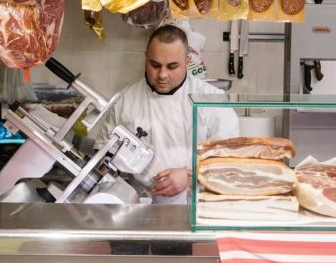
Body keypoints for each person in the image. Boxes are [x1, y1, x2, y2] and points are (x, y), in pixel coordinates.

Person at [96, 24, 239, 204]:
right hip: (143, 205)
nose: (162, 74)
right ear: (145, 58)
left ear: (187, 62)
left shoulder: (211, 99)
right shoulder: (127, 100)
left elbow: (229, 161)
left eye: (172, 66)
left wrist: (190, 177)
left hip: (199, 205)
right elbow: (103, 156)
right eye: (155, 65)